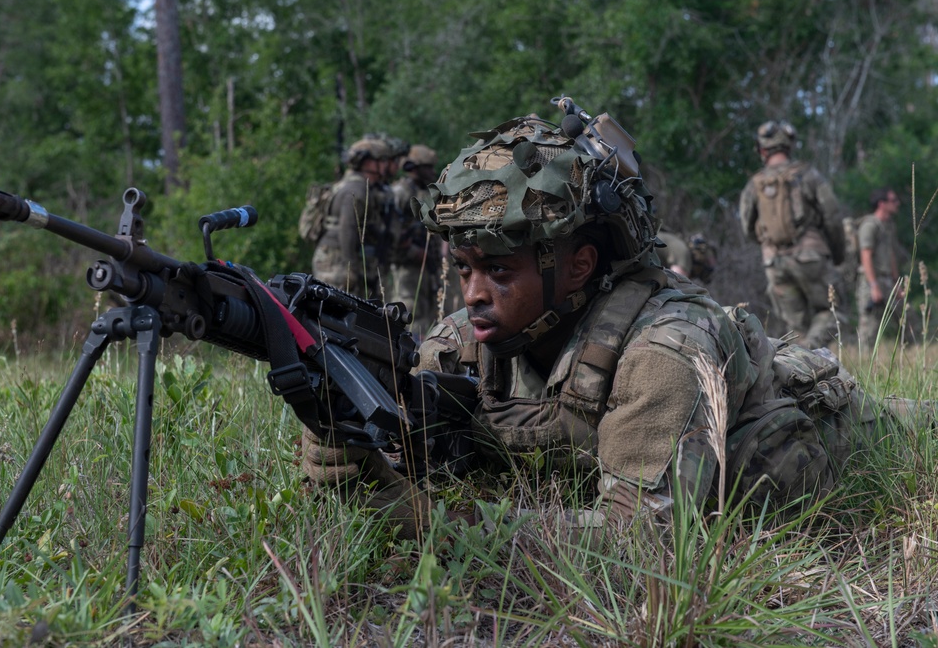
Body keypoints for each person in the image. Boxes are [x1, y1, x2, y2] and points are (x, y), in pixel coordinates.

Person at [302, 109, 913, 535]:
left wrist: (437, 524)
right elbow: (400, 471)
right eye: (463, 269)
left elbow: (641, 543)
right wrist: (352, 447)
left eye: (499, 271)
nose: (474, 294)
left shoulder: (664, 353)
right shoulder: (463, 346)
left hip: (845, 425)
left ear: (578, 267)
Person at [739, 120, 847, 349]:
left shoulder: (754, 184)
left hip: (775, 264)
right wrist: (838, 255)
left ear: (762, 151)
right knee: (832, 312)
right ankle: (809, 351)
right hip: (810, 256)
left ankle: (802, 371)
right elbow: (832, 216)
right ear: (789, 148)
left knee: (796, 326)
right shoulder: (808, 176)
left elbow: (747, 228)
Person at [311, 135, 394, 300]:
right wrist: (353, 269)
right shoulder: (357, 189)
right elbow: (347, 231)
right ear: (368, 163)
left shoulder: (349, 184)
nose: (386, 166)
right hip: (338, 265)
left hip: (335, 260)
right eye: (382, 160)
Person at [389, 144, 444, 336]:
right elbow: (390, 238)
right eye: (427, 167)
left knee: (432, 319)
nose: (432, 171)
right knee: (410, 319)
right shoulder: (399, 192)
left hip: (428, 269)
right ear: (414, 168)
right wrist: (415, 253)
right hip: (407, 271)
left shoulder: (427, 192)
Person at [856, 187, 903, 348]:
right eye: (893, 200)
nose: (897, 204)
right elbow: (866, 256)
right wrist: (873, 285)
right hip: (872, 281)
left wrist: (896, 282)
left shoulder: (888, 226)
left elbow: (891, 256)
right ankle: (865, 364)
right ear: (882, 204)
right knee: (869, 327)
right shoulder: (870, 225)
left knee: (907, 321)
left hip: (888, 280)